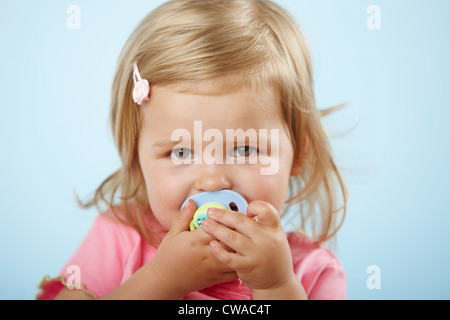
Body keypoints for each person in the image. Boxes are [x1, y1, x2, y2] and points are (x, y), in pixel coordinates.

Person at [37, 0, 347, 300]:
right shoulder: (117, 238)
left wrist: (276, 286)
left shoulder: (312, 272)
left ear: (299, 152)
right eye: (181, 153)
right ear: (136, 158)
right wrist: (162, 280)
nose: (212, 182)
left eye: (245, 149)